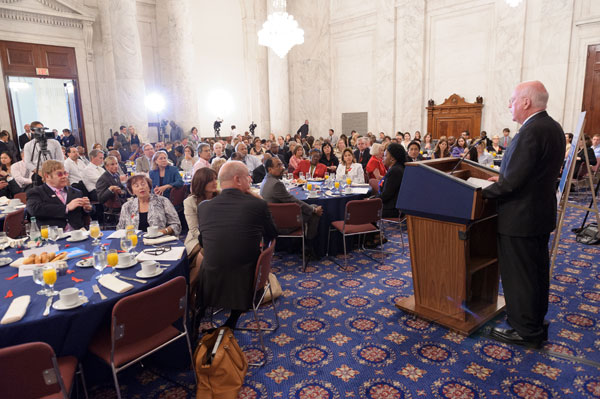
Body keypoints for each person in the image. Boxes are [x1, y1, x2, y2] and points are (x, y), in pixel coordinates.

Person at [483, 80, 565, 349]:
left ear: (526, 102)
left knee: (520, 275)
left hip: (520, 218)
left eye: (512, 100)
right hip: (538, 215)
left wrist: (479, 192)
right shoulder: (552, 127)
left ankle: (524, 330)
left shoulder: (531, 131)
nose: (509, 105)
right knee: (536, 272)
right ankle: (535, 323)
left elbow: (512, 183)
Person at [197, 161, 278, 329]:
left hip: (210, 282)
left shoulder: (204, 207)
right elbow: (272, 234)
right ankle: (230, 324)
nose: (250, 181)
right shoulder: (257, 205)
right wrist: (260, 200)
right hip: (246, 283)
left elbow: (202, 242)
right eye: (248, 177)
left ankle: (197, 321)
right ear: (238, 180)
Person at [260, 156, 323, 258]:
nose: (282, 167)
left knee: (310, 208)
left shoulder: (266, 180)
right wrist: (314, 210)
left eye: (282, 164)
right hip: (281, 225)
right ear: (270, 169)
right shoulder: (276, 185)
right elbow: (294, 202)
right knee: (313, 210)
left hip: (271, 222)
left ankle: (301, 246)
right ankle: (309, 248)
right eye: (278, 165)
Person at [26, 160, 92, 230]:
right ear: (47, 176)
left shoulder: (76, 192)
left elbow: (87, 213)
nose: (64, 177)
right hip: (53, 234)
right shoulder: (36, 192)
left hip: (78, 232)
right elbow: (34, 209)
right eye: (59, 174)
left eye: (65, 173)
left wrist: (87, 208)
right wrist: (66, 208)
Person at [184, 167, 218, 284]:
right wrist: (209, 240)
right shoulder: (190, 202)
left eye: (215, 179)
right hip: (197, 239)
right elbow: (193, 229)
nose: (215, 183)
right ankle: (190, 290)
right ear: (201, 183)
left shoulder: (220, 197)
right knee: (204, 255)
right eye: (211, 180)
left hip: (219, 238)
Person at [377, 143, 407, 218]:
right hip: (391, 205)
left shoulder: (395, 171)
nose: (382, 158)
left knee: (363, 210)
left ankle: (373, 229)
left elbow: (386, 195)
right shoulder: (396, 168)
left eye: (385, 155)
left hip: (391, 209)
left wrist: (372, 200)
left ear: (392, 158)